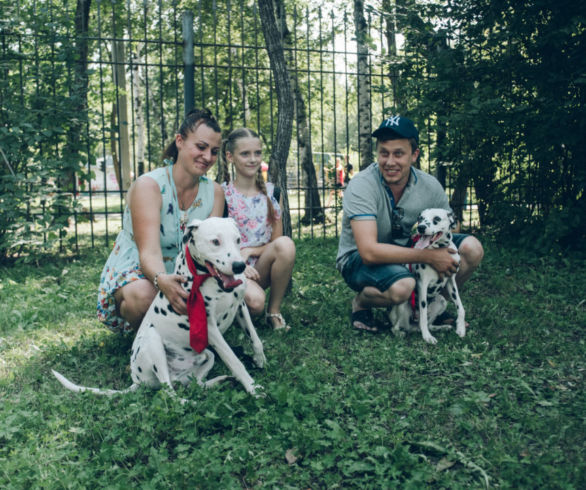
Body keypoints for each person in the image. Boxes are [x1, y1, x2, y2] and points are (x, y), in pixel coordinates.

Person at [336, 115, 484, 332]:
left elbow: (452, 227)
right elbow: (368, 252)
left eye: (398, 154)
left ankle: (433, 307)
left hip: (409, 248)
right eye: (384, 153)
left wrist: (435, 242)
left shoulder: (430, 186)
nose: (389, 162)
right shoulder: (361, 185)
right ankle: (361, 303)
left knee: (472, 249)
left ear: (414, 155)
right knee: (403, 287)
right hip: (358, 259)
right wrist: (430, 256)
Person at [97, 108, 225, 333]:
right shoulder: (149, 186)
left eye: (214, 151)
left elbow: (210, 252)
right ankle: (145, 339)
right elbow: (149, 253)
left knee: (244, 300)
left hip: (187, 271)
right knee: (146, 297)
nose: (208, 157)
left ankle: (177, 335)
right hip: (141, 269)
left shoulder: (214, 192)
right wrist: (161, 281)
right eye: (201, 147)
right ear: (180, 141)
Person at [220, 128, 296, 330]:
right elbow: (216, 245)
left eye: (257, 153)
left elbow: (276, 242)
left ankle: (274, 312)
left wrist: (250, 251)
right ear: (230, 157)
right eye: (245, 154)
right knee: (255, 304)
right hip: (231, 268)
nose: (253, 159)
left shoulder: (272, 193)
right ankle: (231, 309)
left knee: (286, 244)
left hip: (260, 268)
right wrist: (238, 261)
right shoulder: (223, 194)